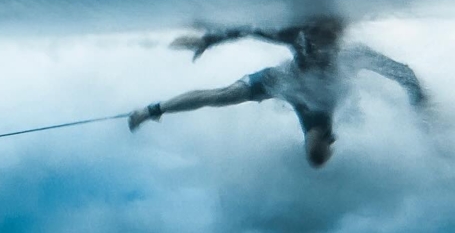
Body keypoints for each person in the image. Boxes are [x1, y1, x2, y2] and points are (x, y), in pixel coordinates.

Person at [128, 17, 427, 167]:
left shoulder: (354, 55)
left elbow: (406, 73)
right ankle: (151, 111)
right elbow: (250, 29)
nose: (319, 48)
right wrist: (210, 39)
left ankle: (323, 142)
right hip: (285, 82)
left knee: (316, 160)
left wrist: (421, 102)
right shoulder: (299, 41)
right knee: (220, 97)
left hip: (316, 104)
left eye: (327, 42)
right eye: (315, 42)